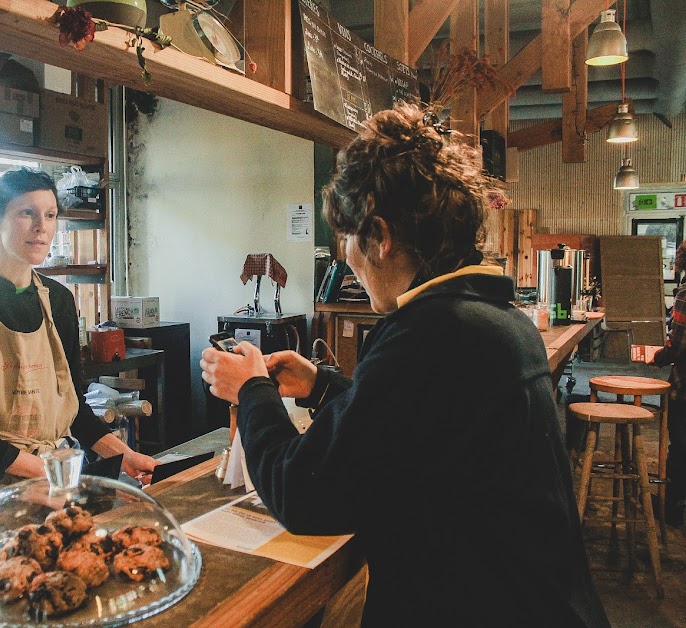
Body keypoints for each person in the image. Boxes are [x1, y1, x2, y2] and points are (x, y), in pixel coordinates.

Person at [200, 105, 608, 626]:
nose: (346, 256)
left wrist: (252, 389)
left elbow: (304, 494)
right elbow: (418, 424)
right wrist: (322, 385)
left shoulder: (428, 334)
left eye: (347, 238)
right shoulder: (493, 319)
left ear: (381, 237)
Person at [0, 168, 156, 521]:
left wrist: (123, 454)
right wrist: (46, 470)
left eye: (50, 215)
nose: (42, 227)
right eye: (27, 213)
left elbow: (72, 408)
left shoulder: (60, 301)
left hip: (56, 486)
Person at [649, 240, 686, 527]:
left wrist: (656, 356)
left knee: (681, 442)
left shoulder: (685, 294)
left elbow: (677, 348)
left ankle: (672, 505)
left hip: (684, 386)